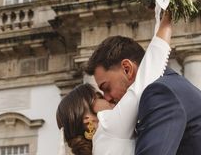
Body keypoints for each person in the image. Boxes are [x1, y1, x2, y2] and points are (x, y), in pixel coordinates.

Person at [56, 12, 173, 155]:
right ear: (88, 120)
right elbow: (150, 69)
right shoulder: (107, 126)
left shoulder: (98, 147)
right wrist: (167, 18)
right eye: (99, 95)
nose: (107, 98)